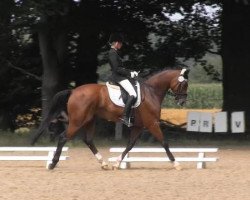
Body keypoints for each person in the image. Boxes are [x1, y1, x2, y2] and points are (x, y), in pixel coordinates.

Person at [108, 33, 138, 127]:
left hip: (121, 76)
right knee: (133, 94)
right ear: (117, 43)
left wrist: (132, 72)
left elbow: (122, 68)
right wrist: (129, 74)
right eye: (120, 43)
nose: (121, 45)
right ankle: (125, 117)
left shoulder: (115, 52)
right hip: (118, 77)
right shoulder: (112, 53)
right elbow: (117, 69)